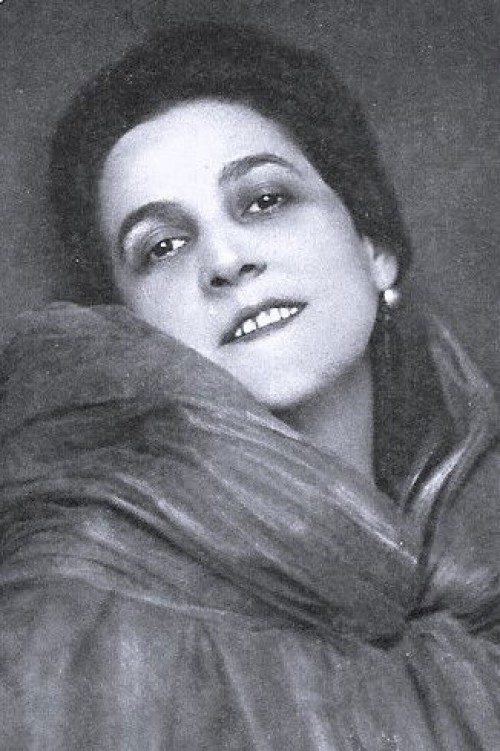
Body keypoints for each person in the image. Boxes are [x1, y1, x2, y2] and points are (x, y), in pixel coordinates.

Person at [0, 21, 499, 750]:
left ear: (375, 249)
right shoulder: (75, 632)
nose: (227, 261)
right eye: (163, 246)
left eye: (264, 200)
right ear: (126, 330)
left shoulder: (475, 576)